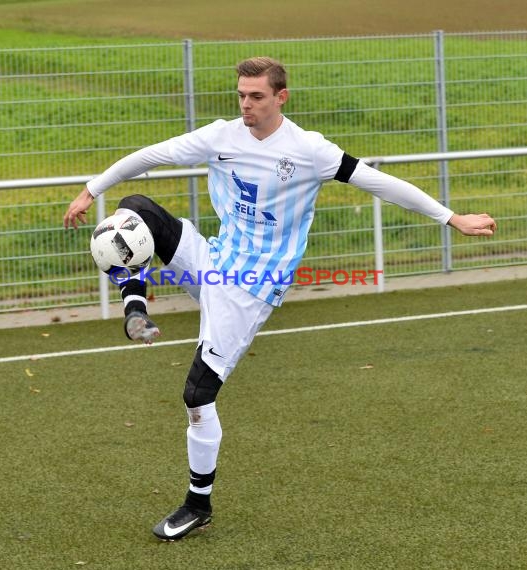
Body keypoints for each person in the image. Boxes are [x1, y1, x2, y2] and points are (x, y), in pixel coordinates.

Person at [64, 57, 497, 541]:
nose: (246, 105)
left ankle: (197, 504)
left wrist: (451, 218)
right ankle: (135, 306)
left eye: (257, 97)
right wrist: (90, 190)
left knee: (197, 395)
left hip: (249, 289)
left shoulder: (310, 151)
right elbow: (148, 156)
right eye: (241, 96)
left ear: (280, 98)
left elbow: (381, 184)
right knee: (134, 211)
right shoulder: (220, 136)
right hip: (212, 262)